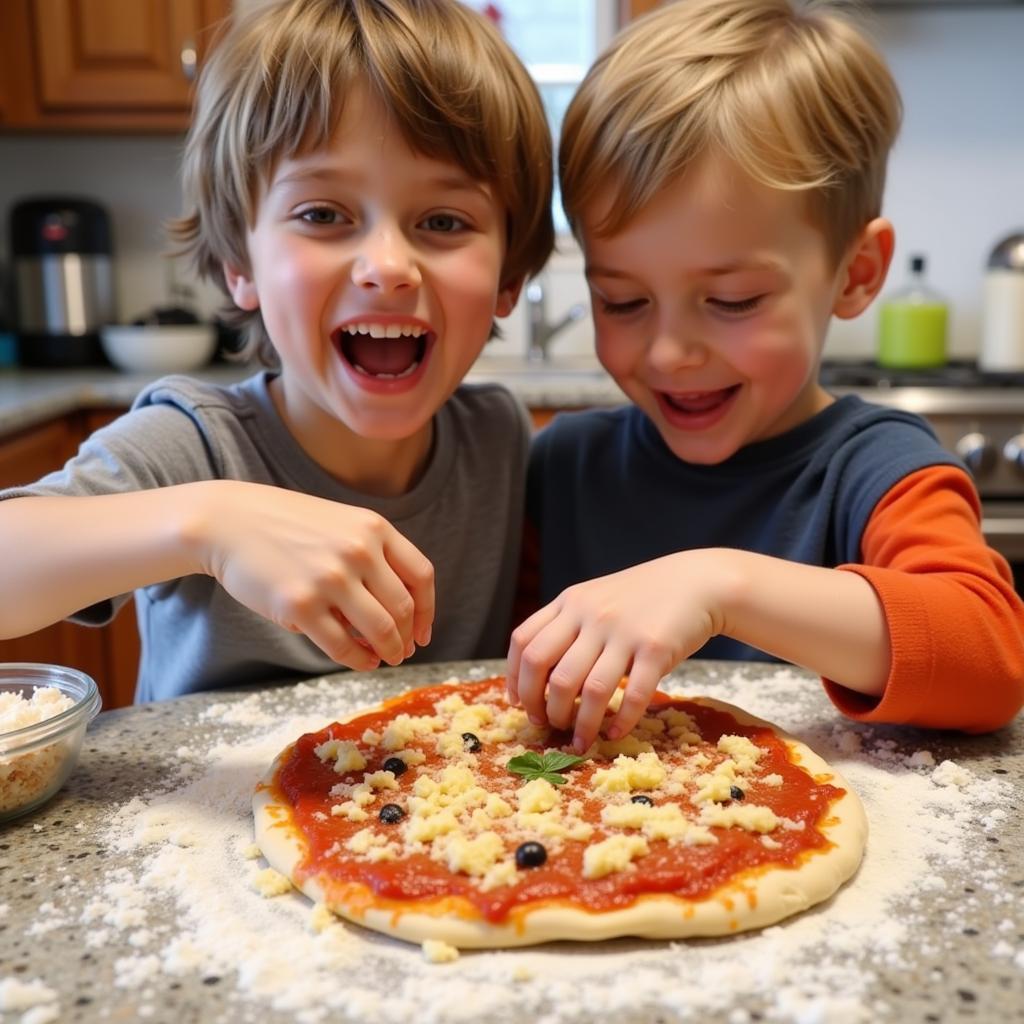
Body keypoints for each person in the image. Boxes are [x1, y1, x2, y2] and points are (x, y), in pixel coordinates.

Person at [506, 0, 1024, 753]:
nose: (669, 353)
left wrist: (721, 586)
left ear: (856, 273)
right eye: (623, 301)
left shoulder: (880, 470)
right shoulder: (565, 468)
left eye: (732, 301)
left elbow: (990, 660)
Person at [0, 0, 554, 702]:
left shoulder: (495, 438)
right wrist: (206, 525)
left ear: (509, 278)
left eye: (443, 221)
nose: (387, 266)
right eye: (323, 215)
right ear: (241, 262)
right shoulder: (195, 445)